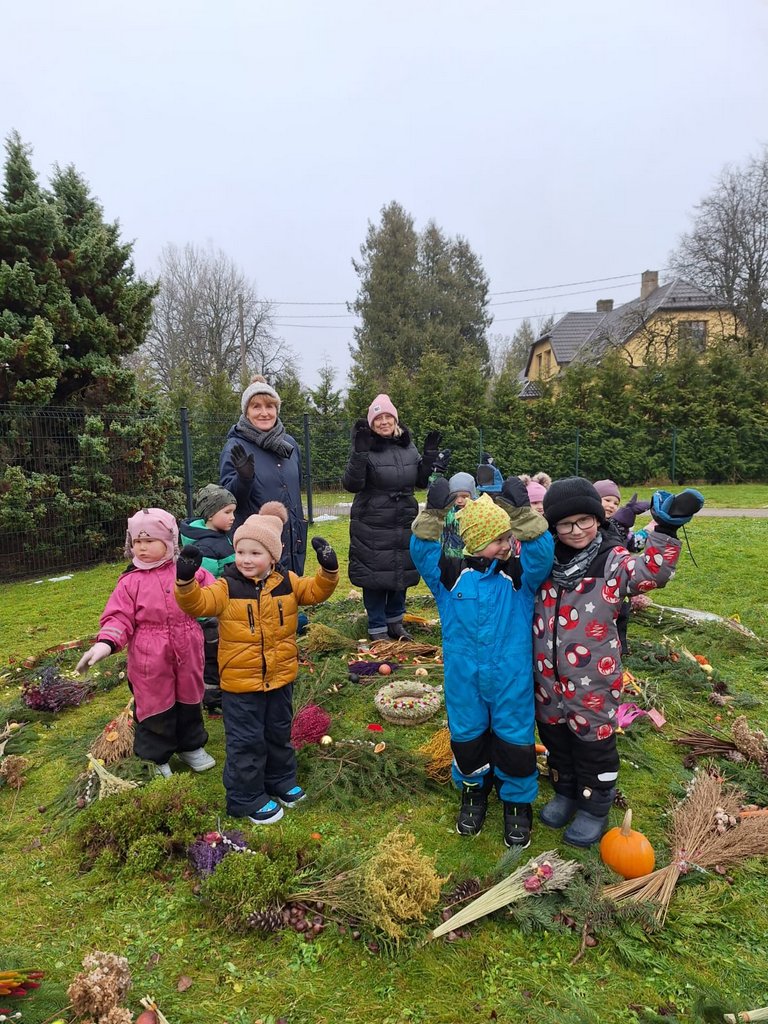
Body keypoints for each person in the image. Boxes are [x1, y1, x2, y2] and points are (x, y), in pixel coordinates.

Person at [534, 478, 704, 847]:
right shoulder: (543, 562)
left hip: (592, 676)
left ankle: (594, 806)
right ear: (553, 526)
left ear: (598, 519)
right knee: (554, 735)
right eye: (565, 523)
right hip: (547, 676)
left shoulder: (612, 560)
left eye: (584, 520)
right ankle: (565, 791)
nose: (576, 530)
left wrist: (666, 529)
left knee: (593, 741)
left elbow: (651, 574)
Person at [411, 477, 555, 848]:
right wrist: (432, 516)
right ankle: (473, 791)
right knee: (468, 736)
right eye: (499, 539)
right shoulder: (450, 577)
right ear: (475, 542)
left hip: (510, 677)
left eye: (509, 537)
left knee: (515, 739)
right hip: (464, 679)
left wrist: (522, 516)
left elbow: (542, 553)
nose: (507, 544)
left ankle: (517, 801)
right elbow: (422, 552)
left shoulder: (518, 577)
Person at [174, 502, 339, 825]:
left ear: (273, 557)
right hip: (241, 684)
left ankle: (280, 780)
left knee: (278, 733)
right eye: (241, 552)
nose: (246, 559)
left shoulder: (287, 582)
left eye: (255, 553)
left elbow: (316, 591)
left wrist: (328, 570)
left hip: (280, 677)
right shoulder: (226, 587)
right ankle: (245, 797)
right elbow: (198, 604)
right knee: (246, 741)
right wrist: (185, 581)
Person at [76, 508, 216, 779]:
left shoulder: (187, 571)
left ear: (169, 541)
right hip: (150, 653)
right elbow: (118, 616)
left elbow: (213, 595)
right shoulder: (130, 581)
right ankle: (156, 755)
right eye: (137, 541)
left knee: (190, 697)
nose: (141, 547)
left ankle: (191, 745)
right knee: (155, 703)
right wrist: (105, 643)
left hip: (188, 646)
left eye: (150, 540)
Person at [343, 394, 439, 642]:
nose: (384, 421)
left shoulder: (407, 446)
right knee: (375, 576)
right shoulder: (365, 446)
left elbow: (420, 481)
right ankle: (377, 627)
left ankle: (395, 622)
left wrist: (429, 457)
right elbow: (352, 484)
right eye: (378, 418)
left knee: (400, 572)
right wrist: (359, 454)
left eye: (388, 416)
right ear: (371, 422)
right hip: (372, 522)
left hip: (403, 519)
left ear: (395, 419)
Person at [219, 374, 307, 575]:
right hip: (258, 546)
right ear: (246, 412)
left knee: (291, 590)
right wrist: (243, 479)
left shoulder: (289, 444)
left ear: (277, 409)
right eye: (256, 406)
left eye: (269, 406)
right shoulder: (235, 446)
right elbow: (228, 501)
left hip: (292, 541)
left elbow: (296, 489)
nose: (264, 413)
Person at [179, 484, 237, 714]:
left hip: (221, 608)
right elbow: (205, 584)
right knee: (212, 657)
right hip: (209, 616)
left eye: (233, 512)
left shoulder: (218, 536)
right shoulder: (206, 546)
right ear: (211, 514)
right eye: (227, 512)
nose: (232, 517)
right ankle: (213, 700)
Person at [593, 479, 652, 655]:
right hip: (599, 581)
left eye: (616, 503)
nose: (611, 505)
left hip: (618, 579)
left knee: (623, 613)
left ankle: (621, 648)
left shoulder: (622, 526)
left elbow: (633, 544)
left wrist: (649, 529)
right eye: (607, 500)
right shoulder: (589, 525)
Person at [440, 471, 477, 558]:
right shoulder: (446, 512)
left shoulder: (477, 513)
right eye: (455, 497)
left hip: (469, 558)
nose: (459, 501)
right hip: (448, 557)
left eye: (464, 497)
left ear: (472, 495)